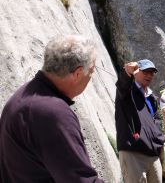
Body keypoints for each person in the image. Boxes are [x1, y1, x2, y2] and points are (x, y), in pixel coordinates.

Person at [0, 35, 104, 183]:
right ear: (78, 73)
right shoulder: (54, 114)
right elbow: (80, 180)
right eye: (92, 71)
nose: (90, 77)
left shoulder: (23, 95)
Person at [115, 59, 165, 183]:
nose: (149, 75)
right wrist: (126, 72)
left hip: (152, 155)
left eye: (152, 73)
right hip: (133, 152)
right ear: (136, 72)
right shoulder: (127, 91)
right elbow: (122, 84)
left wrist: (159, 140)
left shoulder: (152, 98)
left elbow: (157, 122)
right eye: (145, 71)